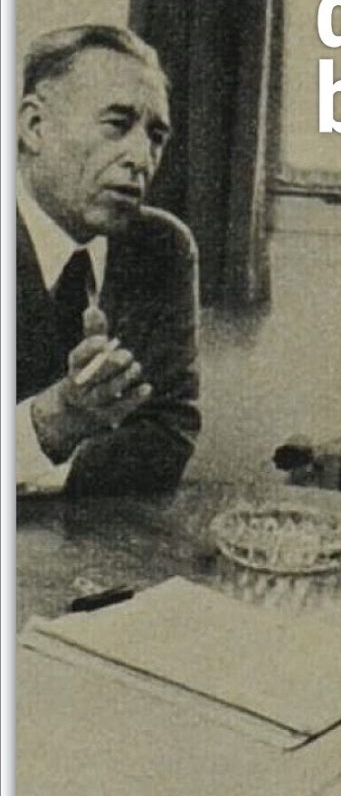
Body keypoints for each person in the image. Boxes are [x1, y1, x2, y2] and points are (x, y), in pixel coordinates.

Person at [17, 24, 200, 497]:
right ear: (35, 126)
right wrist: (54, 423)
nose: (141, 157)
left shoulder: (163, 247)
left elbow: (168, 438)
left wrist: (29, 462)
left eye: (156, 136)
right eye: (117, 124)